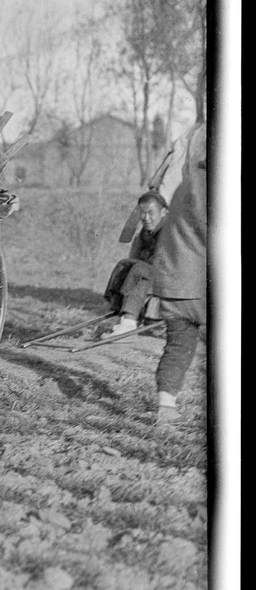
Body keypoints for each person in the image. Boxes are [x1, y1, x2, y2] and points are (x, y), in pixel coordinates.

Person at [149, 122, 207, 425]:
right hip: (199, 284)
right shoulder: (208, 189)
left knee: (178, 345)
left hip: (174, 282)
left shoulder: (183, 185)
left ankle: (166, 405)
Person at [102, 190, 168, 337]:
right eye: (142, 213)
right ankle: (121, 314)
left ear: (163, 212)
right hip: (154, 272)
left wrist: (139, 265)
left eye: (151, 213)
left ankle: (129, 322)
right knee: (125, 264)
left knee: (140, 270)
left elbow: (160, 262)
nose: (146, 218)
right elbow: (135, 256)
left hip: (175, 277)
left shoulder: (170, 230)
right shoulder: (144, 234)